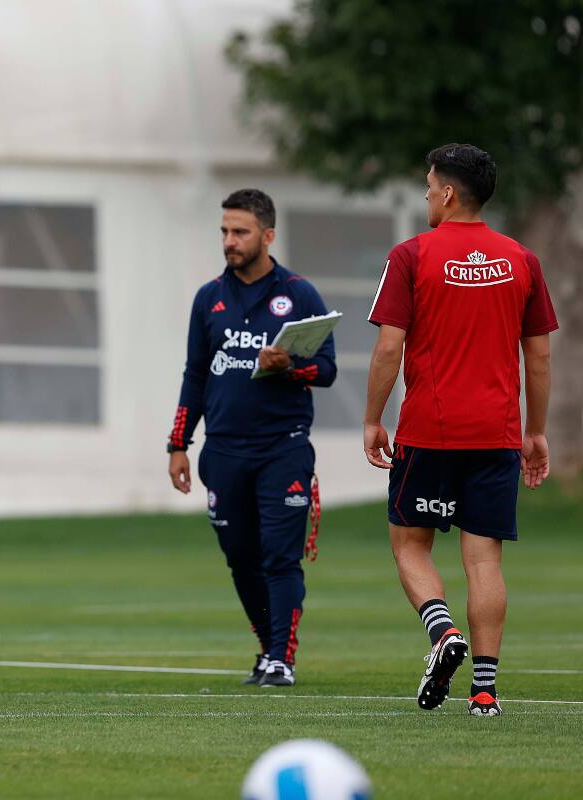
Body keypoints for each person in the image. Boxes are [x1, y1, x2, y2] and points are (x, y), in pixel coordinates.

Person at [365, 144, 557, 717]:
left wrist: (374, 418)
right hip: (497, 432)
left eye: (428, 186)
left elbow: (389, 347)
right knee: (485, 562)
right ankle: (485, 692)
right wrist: (536, 432)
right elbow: (540, 358)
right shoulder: (521, 260)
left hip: (429, 430)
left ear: (448, 194)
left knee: (410, 545)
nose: (426, 195)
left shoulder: (411, 255)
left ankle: (443, 633)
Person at [167, 189, 337, 688]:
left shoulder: (299, 295)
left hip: (282, 446)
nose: (229, 241)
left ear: (267, 235)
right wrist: (178, 444)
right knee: (240, 558)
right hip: (222, 449)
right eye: (224, 231)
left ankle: (282, 658)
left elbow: (325, 370)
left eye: (240, 232)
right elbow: (195, 375)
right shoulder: (208, 298)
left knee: (278, 556)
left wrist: (291, 366)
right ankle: (267, 650)